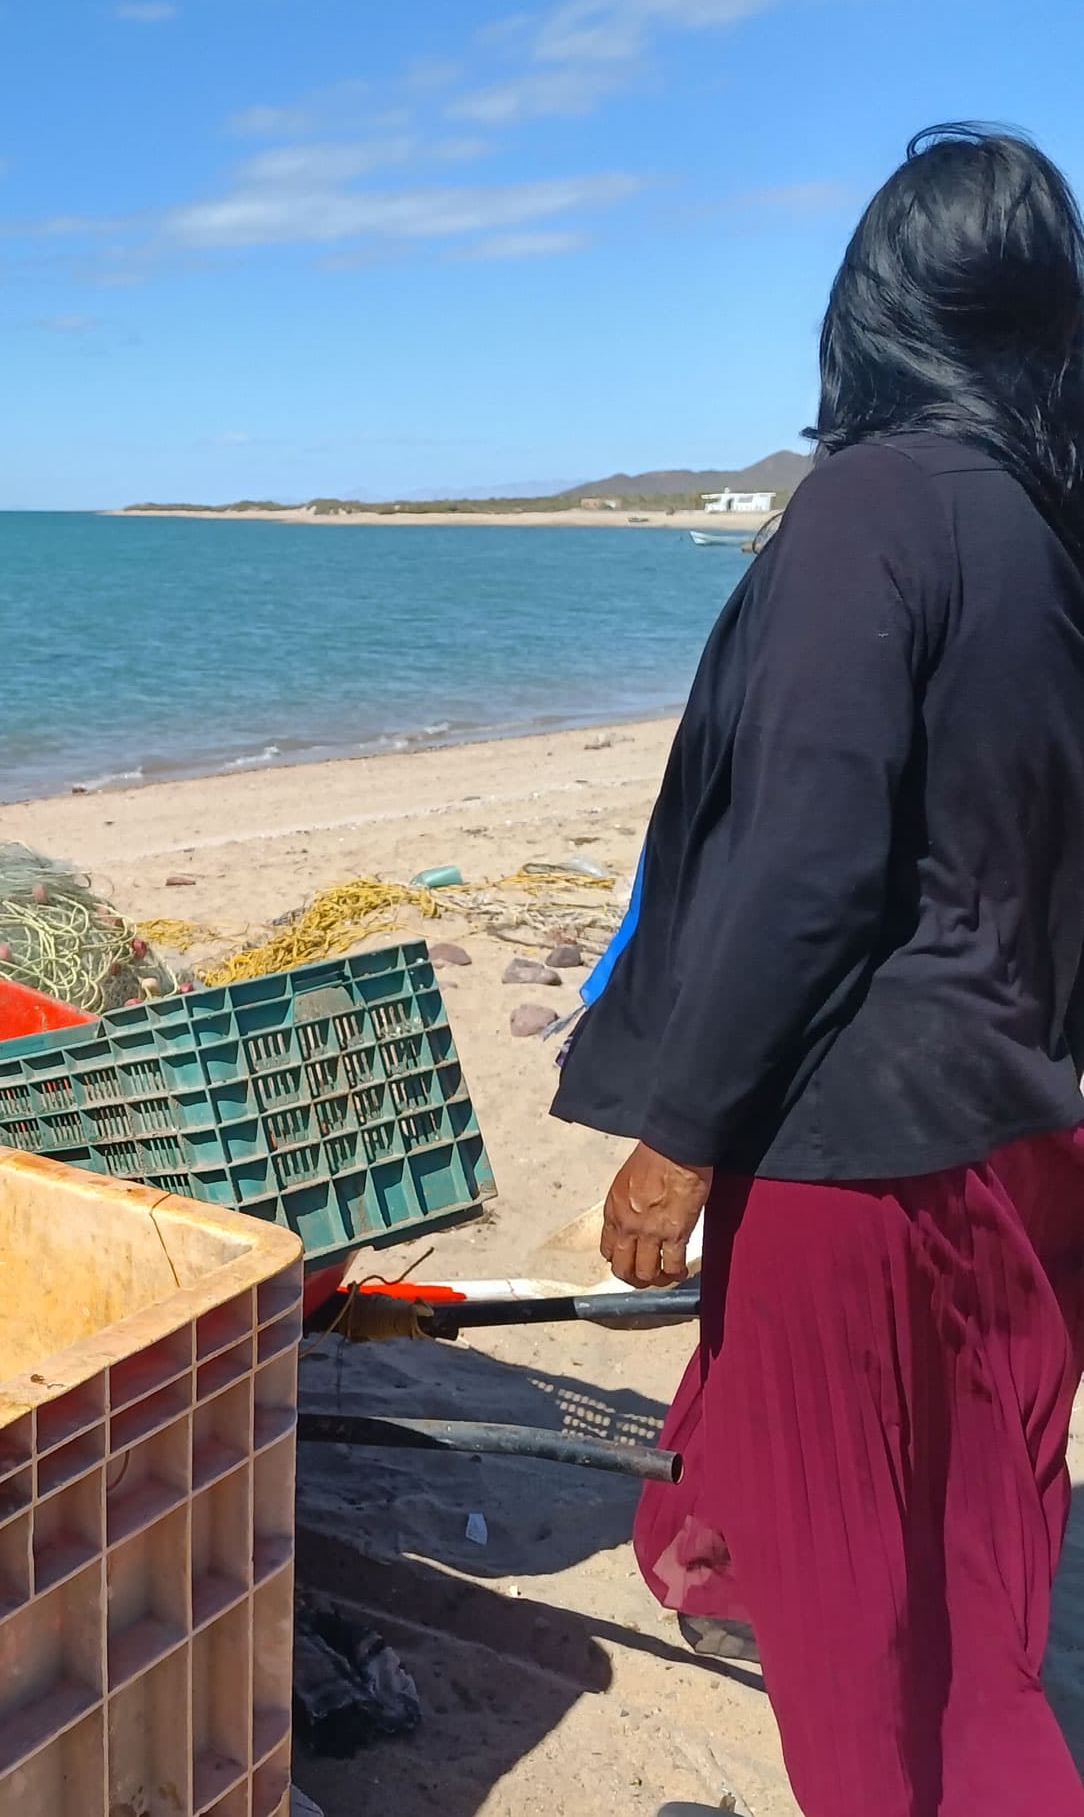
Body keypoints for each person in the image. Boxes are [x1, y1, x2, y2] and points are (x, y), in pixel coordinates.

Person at [553, 125, 1084, 1817]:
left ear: (875, 309)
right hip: (1025, 1140)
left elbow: (808, 860)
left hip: (866, 1164)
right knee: (961, 1585)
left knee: (895, 1687)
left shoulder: (869, 506)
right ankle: (706, 1565)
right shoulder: (1043, 538)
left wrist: (680, 1133)